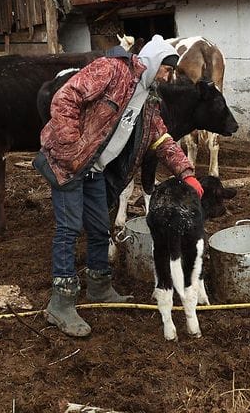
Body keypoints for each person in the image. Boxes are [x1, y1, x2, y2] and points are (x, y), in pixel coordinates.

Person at [34, 35, 203, 337]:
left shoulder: (149, 101)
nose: (168, 77)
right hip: (67, 163)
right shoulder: (111, 70)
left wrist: (186, 172)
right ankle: (61, 302)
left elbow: (161, 139)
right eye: (166, 69)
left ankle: (99, 286)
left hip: (95, 168)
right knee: (69, 229)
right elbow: (65, 98)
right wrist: (71, 147)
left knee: (101, 227)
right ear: (154, 63)